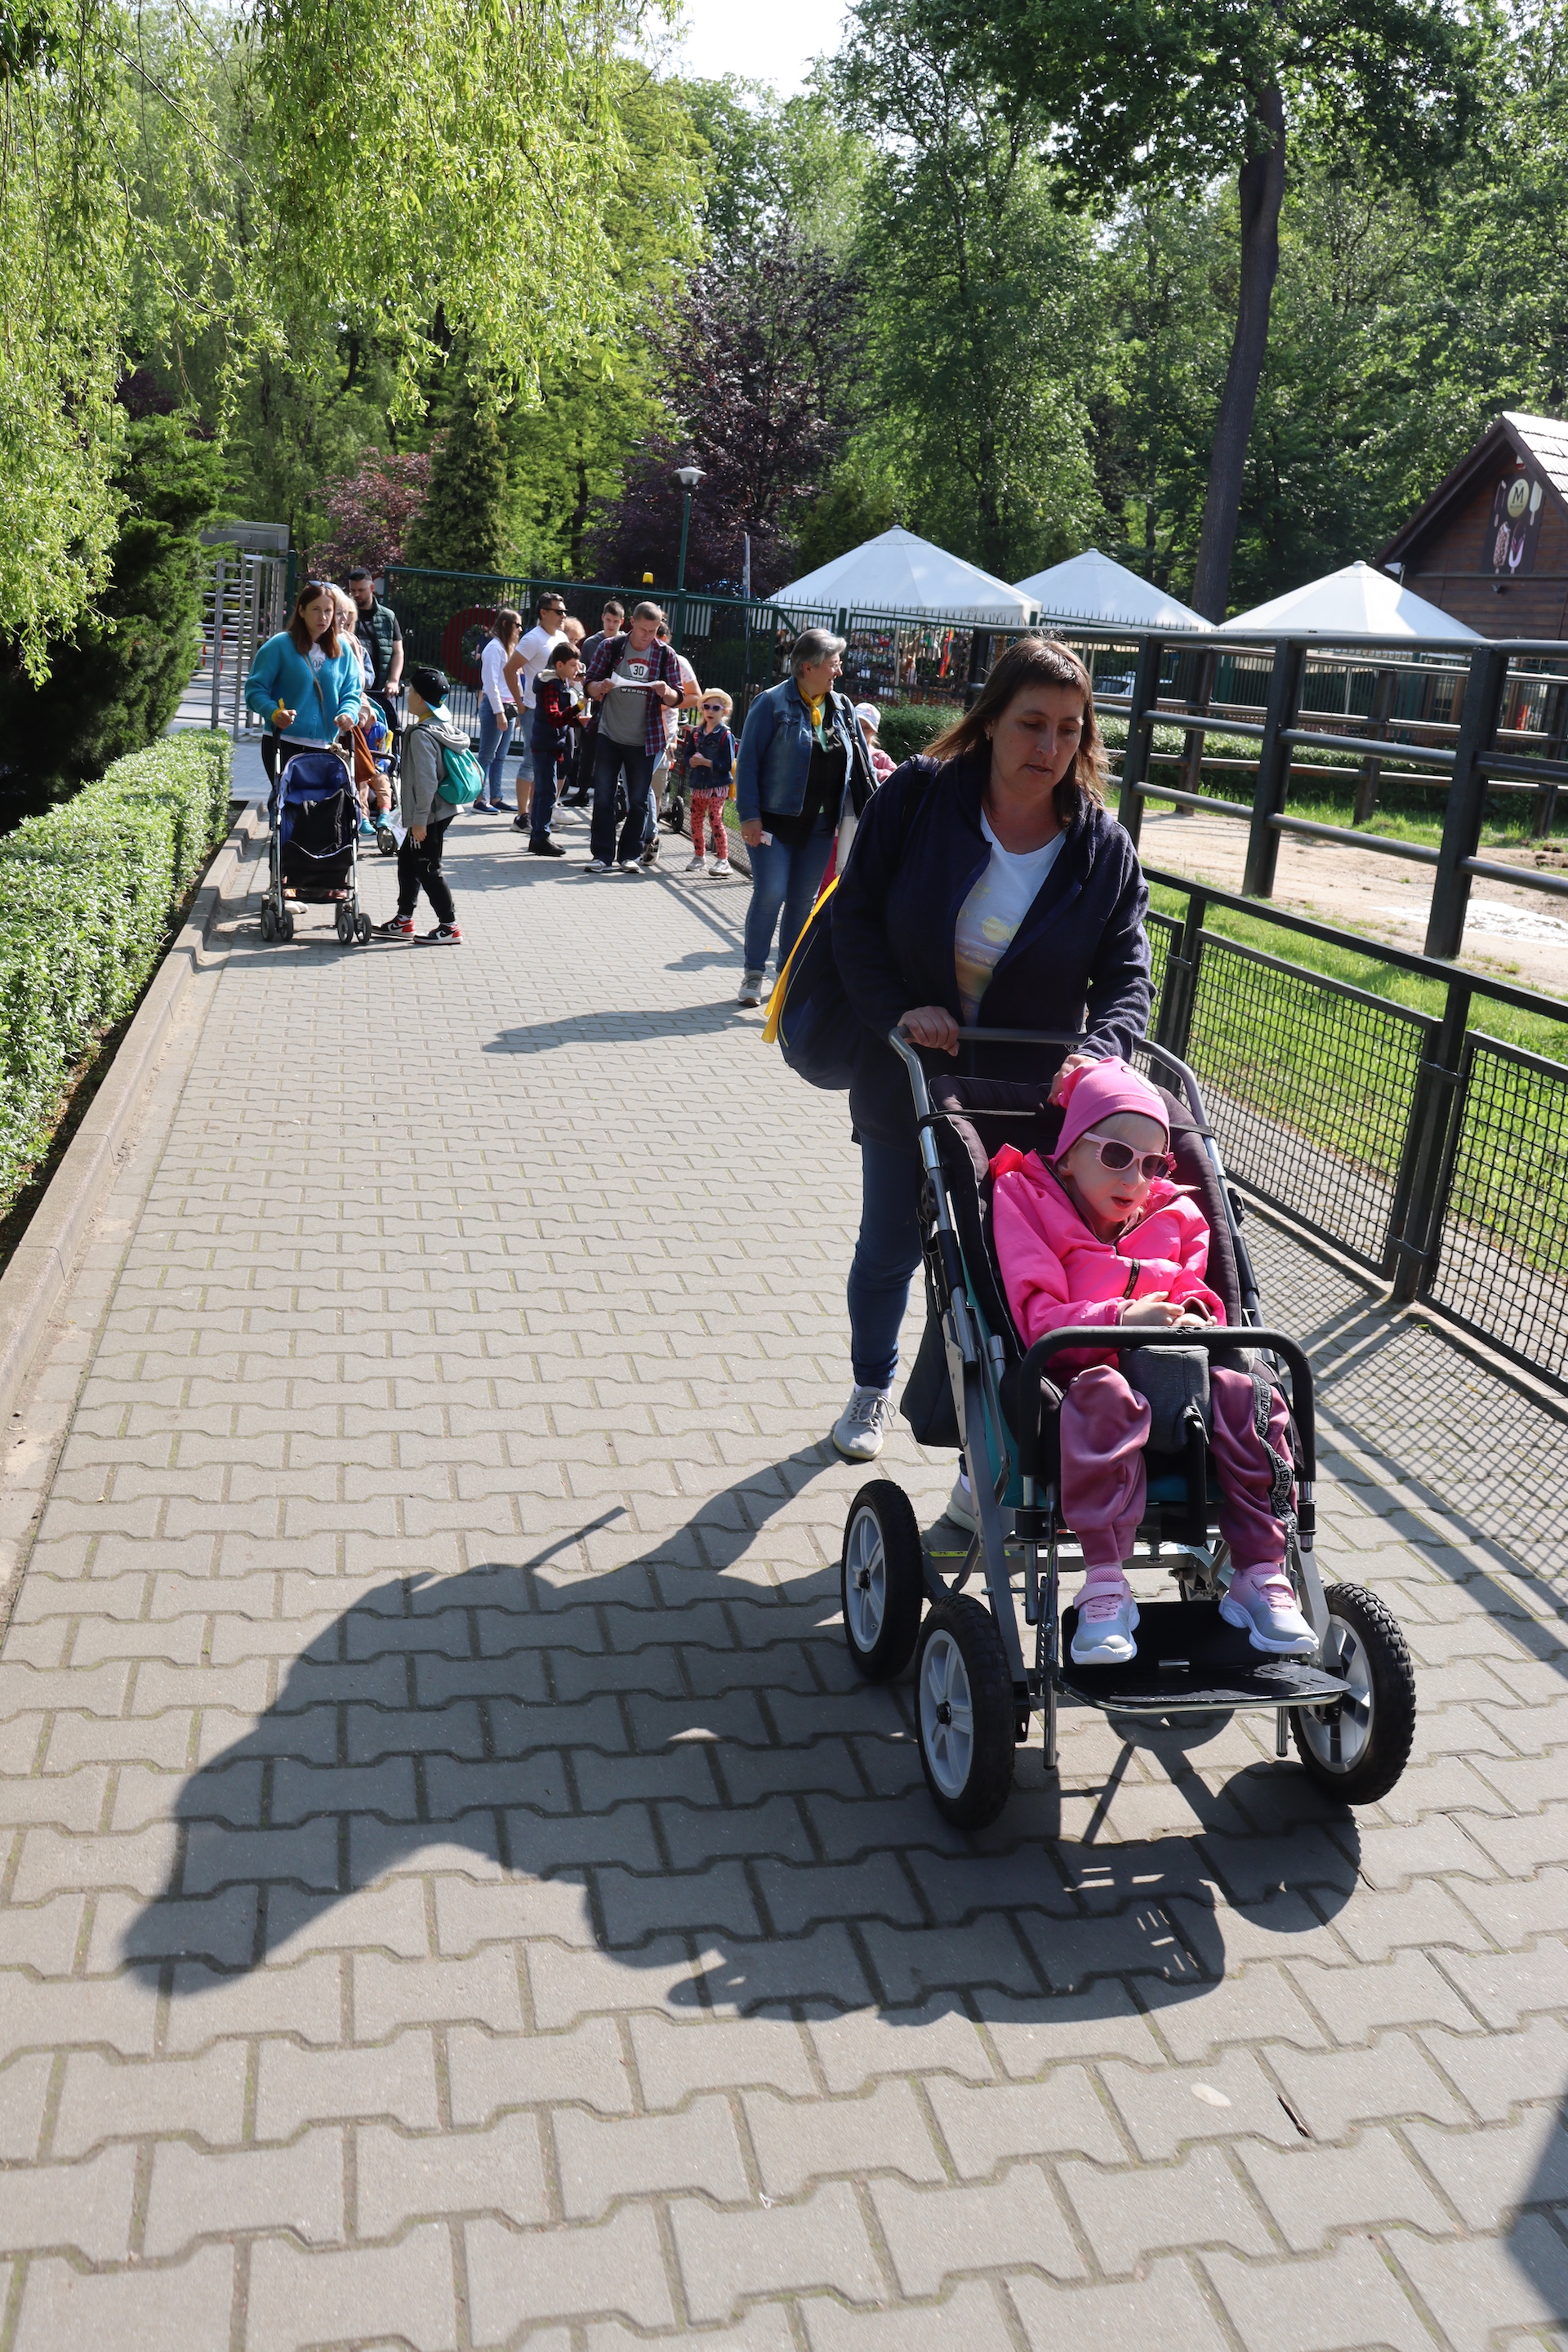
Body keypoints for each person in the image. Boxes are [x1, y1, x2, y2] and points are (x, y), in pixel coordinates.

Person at [826, 635, 1152, 1463]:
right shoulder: (921, 798)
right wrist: (899, 1011)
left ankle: (985, 1446)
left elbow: (1128, 975)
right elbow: (853, 918)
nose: (1050, 747)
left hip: (1024, 1100)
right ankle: (870, 1383)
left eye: (1070, 730)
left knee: (997, 1271)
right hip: (909, 1078)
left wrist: (1099, 1051)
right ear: (991, 721)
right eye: (1032, 724)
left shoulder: (1101, 847)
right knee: (892, 1247)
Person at [990, 1056, 1313, 1663]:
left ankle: (1260, 1572)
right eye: (1116, 1156)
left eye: (1152, 1164)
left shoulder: (1177, 1215)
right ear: (1068, 1154)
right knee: (1104, 1393)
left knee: (1252, 1395)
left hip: (1177, 1379)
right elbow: (1036, 1318)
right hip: (1080, 1377)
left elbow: (1200, 1292)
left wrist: (1194, 1313)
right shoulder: (1025, 1199)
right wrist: (1121, 1318)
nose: (1135, 1178)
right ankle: (1105, 1583)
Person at [733, 629, 876, 1009]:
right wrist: (748, 816)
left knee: (802, 901)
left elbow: (862, 766)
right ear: (808, 667)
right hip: (773, 823)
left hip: (821, 825)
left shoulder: (843, 706)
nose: (839, 671)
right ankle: (753, 974)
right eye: (834, 664)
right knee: (771, 893)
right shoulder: (771, 703)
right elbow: (747, 763)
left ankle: (787, 978)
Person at [582, 602, 684, 873]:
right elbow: (589, 684)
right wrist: (600, 686)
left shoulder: (665, 654)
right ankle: (602, 855)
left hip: (645, 740)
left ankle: (630, 855)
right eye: (643, 630)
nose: (647, 636)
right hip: (609, 733)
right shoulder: (611, 647)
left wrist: (666, 692)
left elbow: (678, 696)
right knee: (603, 796)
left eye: (653, 631)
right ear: (632, 624)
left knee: (638, 801)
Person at [376, 666, 467, 945]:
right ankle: (404, 920)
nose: (407, 695)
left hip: (429, 813)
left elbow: (427, 781)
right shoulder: (443, 728)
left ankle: (449, 926)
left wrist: (419, 821)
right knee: (408, 860)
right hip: (440, 808)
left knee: (428, 867)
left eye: (411, 691)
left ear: (420, 698)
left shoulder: (420, 735)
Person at [245, 579, 363, 790]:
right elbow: (255, 690)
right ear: (301, 611)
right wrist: (274, 713)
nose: (323, 617)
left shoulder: (343, 650)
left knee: (325, 807)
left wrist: (348, 713)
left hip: (325, 747)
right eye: (316, 609)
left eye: (328, 611)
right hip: (282, 742)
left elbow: (351, 693)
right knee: (288, 804)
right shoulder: (279, 645)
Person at [644, 621, 701, 866]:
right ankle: (640, 834)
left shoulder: (678, 662)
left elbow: (696, 696)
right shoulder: (634, 654)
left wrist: (668, 702)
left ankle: (649, 836)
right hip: (632, 731)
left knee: (655, 788)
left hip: (662, 733)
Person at [514, 592, 568, 835]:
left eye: (564, 611)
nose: (563, 616)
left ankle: (537, 815)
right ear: (543, 613)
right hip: (534, 710)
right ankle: (521, 817)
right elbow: (510, 669)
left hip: (555, 711)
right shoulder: (533, 638)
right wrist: (520, 703)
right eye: (559, 611)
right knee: (530, 761)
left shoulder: (561, 637)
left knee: (546, 763)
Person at [525, 643, 580, 857]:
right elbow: (554, 717)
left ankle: (538, 835)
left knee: (543, 792)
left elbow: (559, 718)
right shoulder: (551, 685)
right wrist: (579, 708)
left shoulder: (557, 683)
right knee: (547, 794)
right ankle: (541, 837)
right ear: (559, 665)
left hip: (548, 745)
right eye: (573, 665)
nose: (577, 669)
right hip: (546, 746)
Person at [347, 568, 404, 774]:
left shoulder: (387, 617)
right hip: (354, 689)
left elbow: (397, 651)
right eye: (353, 590)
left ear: (372, 588)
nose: (356, 595)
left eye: (361, 590)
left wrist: (394, 681)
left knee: (384, 729)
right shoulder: (346, 615)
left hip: (380, 690)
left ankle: (385, 768)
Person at [684, 688, 735, 875]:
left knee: (715, 819)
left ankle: (723, 860)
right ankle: (699, 856)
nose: (710, 711)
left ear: (724, 712)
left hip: (717, 785)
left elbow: (727, 764)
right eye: (706, 707)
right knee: (696, 820)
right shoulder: (696, 733)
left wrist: (706, 762)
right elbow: (687, 755)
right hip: (698, 784)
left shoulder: (725, 735)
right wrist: (691, 761)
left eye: (715, 708)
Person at [477, 609, 523, 813]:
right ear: (506, 625)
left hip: (509, 707)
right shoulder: (494, 648)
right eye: (517, 625)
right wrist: (499, 712)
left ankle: (496, 797)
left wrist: (519, 708)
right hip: (495, 707)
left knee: (501, 755)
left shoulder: (509, 649)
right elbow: (491, 683)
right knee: (487, 755)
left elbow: (516, 680)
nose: (520, 629)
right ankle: (479, 799)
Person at [855, 702, 896, 782]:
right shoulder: (843, 749)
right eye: (857, 726)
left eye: (866, 728)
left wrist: (874, 772)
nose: (860, 732)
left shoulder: (880, 757)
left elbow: (897, 777)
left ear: (873, 732)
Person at [580, 598, 626, 670]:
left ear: (622, 621)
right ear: (603, 617)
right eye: (608, 620)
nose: (611, 625)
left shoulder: (627, 643)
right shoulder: (589, 644)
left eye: (615, 621)